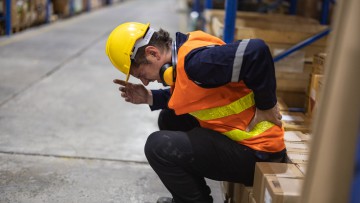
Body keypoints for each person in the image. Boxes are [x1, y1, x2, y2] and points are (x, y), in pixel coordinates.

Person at [106, 22, 286, 203]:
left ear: (153, 53)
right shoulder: (185, 55)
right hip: (242, 140)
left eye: (142, 74)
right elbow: (190, 94)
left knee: (158, 146)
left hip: (257, 154)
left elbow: (257, 50)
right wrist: (149, 97)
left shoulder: (197, 64)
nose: (145, 82)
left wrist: (266, 106)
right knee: (170, 118)